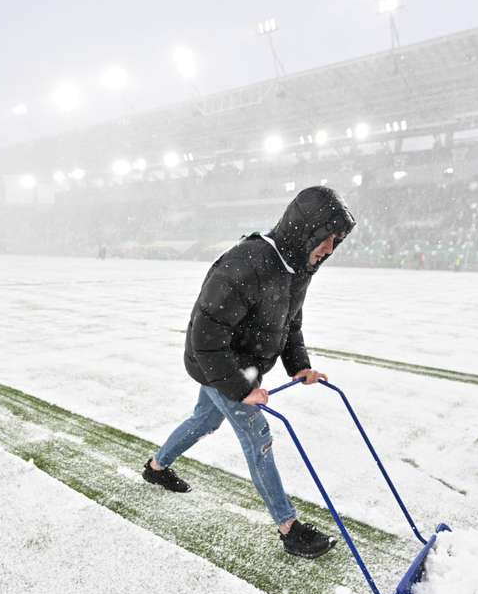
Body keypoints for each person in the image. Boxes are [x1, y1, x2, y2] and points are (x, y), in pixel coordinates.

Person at [142, 186, 356, 559]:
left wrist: (300, 365)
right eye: (326, 239)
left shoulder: (299, 266)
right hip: (218, 364)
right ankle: (289, 528)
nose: (330, 249)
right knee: (258, 437)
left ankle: (156, 466)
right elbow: (205, 336)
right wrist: (240, 388)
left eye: (336, 241)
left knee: (205, 420)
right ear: (305, 231)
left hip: (238, 367)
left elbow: (291, 321)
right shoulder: (247, 263)